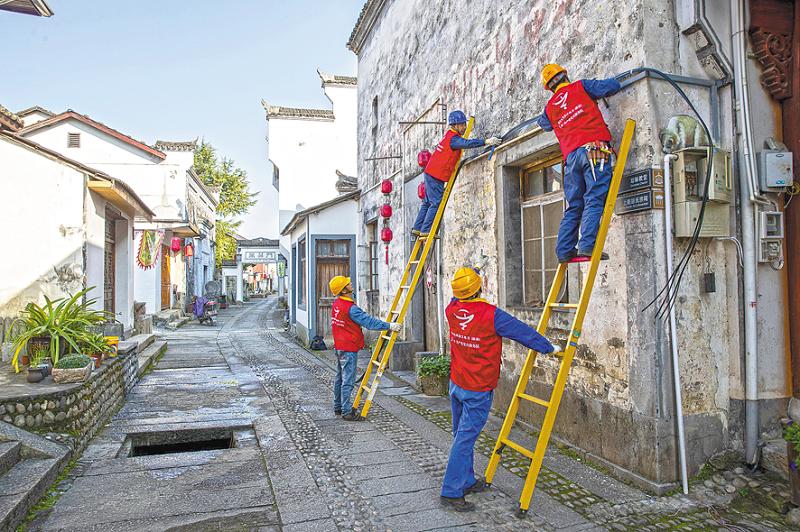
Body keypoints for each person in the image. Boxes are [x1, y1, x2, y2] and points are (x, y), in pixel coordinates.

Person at [440, 267, 560, 512]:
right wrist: (549, 348)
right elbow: (522, 332)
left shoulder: (451, 310)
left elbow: (457, 297)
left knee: (461, 436)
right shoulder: (491, 315)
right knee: (464, 439)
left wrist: (467, 279)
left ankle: (467, 480)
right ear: (478, 288)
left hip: (457, 383)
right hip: (478, 388)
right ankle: (451, 492)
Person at [537, 63, 622, 263]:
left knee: (575, 204)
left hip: (571, 159)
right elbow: (613, 86)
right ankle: (587, 245)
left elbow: (544, 124)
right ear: (566, 75)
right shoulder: (581, 87)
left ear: (549, 88)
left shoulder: (549, 108)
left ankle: (564, 250)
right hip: (594, 150)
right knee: (594, 196)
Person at [412, 110, 502, 237]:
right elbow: (467, 144)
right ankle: (426, 230)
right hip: (436, 175)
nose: (464, 127)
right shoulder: (453, 139)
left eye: (464, 124)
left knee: (427, 202)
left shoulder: (449, 136)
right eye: (461, 125)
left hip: (431, 173)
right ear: (454, 125)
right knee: (436, 203)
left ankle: (417, 227)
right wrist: (486, 142)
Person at [328, 275, 401, 421]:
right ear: (343, 290)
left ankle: (338, 407)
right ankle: (347, 411)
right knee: (348, 379)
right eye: (348, 283)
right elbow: (369, 322)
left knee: (340, 377)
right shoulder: (351, 308)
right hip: (348, 349)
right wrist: (389, 326)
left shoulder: (337, 304)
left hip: (340, 347)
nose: (351, 284)